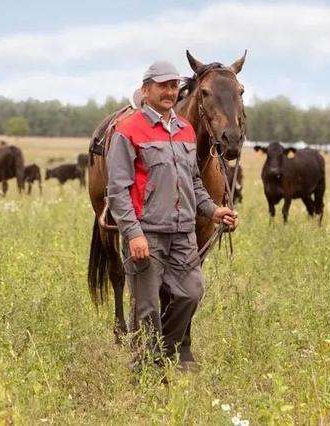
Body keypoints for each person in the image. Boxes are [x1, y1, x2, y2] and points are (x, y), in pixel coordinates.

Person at [106, 60, 238, 371]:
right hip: (148, 232)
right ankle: (148, 374)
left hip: (182, 233)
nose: (169, 91)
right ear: (146, 89)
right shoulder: (128, 131)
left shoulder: (185, 130)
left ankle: (162, 354)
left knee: (192, 293)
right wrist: (133, 233)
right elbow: (117, 190)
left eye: (173, 86)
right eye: (162, 85)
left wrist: (213, 210)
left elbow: (193, 181)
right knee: (148, 307)